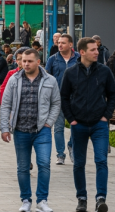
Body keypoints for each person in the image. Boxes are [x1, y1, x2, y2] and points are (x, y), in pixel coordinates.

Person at [0, 49, 61, 212]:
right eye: (23, 61)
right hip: (20, 130)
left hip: (42, 130)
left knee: (44, 164)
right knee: (23, 167)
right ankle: (26, 200)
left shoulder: (50, 80)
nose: (25, 64)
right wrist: (5, 127)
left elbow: (56, 103)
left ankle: (42, 201)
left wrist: (48, 123)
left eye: (29, 61)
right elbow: (5, 104)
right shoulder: (14, 79)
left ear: (38, 62)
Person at [61, 37, 115, 212]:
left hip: (99, 124)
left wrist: (106, 116)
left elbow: (112, 94)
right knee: (79, 163)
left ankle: (101, 199)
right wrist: (72, 119)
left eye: (97, 49)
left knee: (101, 161)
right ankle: (82, 199)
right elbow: (64, 97)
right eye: (93, 50)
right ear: (82, 52)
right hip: (79, 125)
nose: (97, 52)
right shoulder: (70, 73)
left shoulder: (105, 71)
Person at [45, 33, 79, 165]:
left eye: (63, 43)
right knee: (58, 127)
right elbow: (47, 78)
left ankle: (71, 145)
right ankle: (60, 154)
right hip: (58, 98)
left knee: (76, 126)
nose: (59, 45)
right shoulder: (52, 59)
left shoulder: (79, 59)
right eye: (58, 42)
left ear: (71, 45)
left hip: (75, 99)